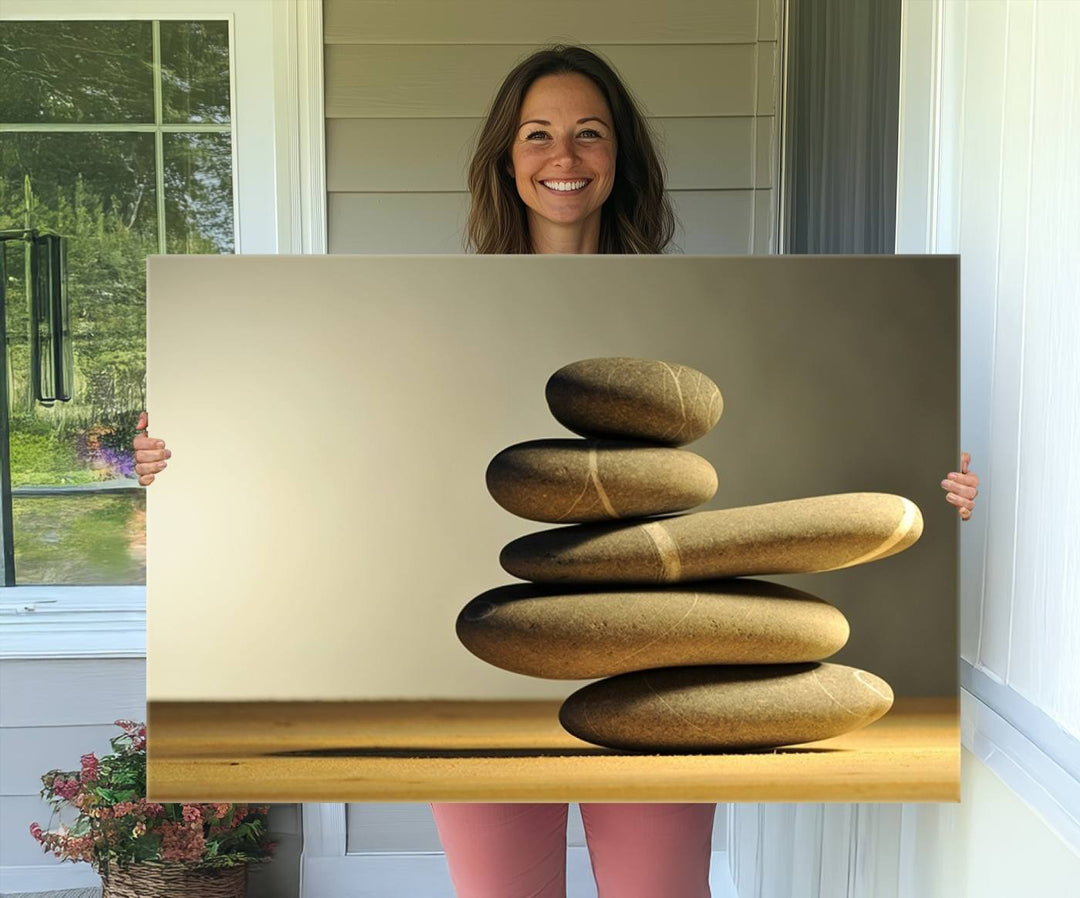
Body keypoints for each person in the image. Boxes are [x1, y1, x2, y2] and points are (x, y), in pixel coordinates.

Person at [133, 45, 979, 898]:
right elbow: (322, 454)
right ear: (507, 157)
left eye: (589, 134)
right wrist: (183, 468)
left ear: (620, 158)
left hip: (656, 673)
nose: (563, 157)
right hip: (476, 678)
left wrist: (943, 491)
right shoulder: (435, 315)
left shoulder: (690, 312)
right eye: (537, 135)